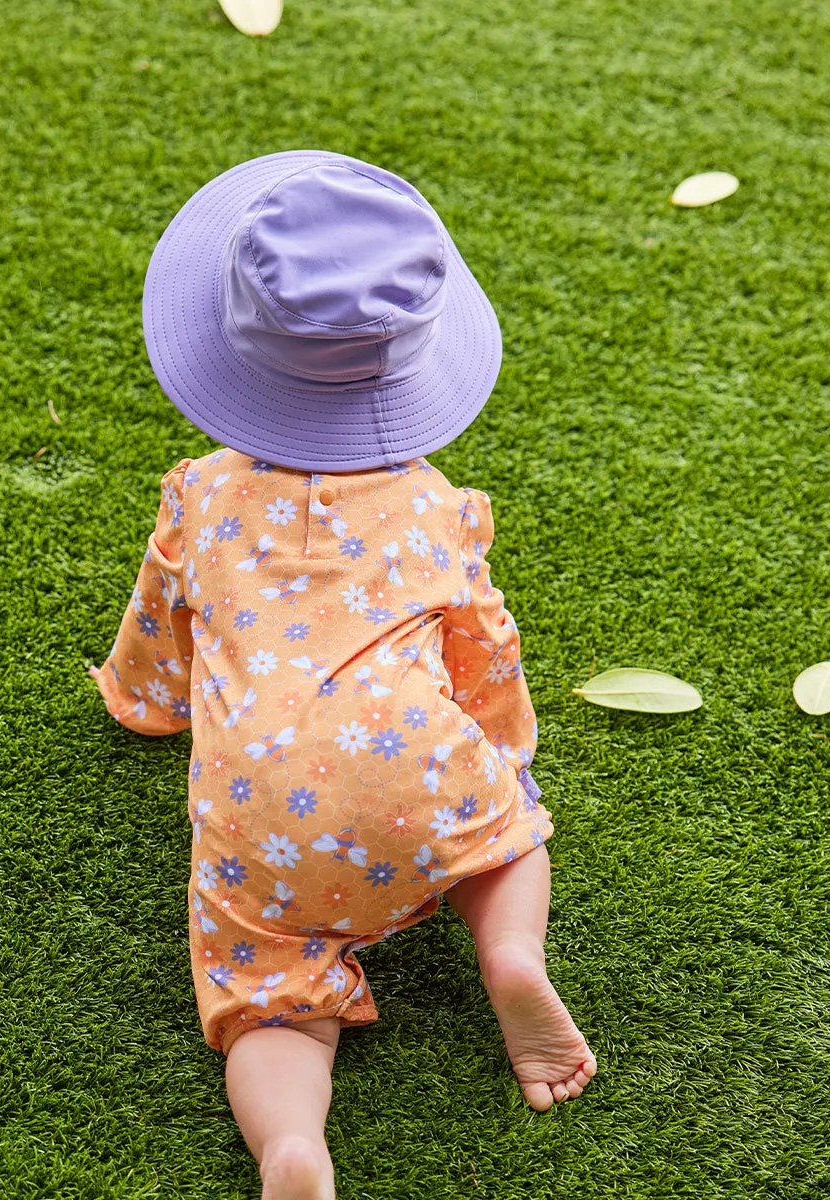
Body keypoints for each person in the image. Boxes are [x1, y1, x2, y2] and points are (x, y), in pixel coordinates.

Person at [91, 151, 596, 1200]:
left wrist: (143, 702)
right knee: (504, 837)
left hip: (261, 815)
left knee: (271, 996)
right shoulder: (436, 506)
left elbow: (160, 626)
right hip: (419, 776)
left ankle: (292, 1145)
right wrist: (501, 760)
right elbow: (485, 651)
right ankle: (509, 954)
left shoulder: (202, 501)